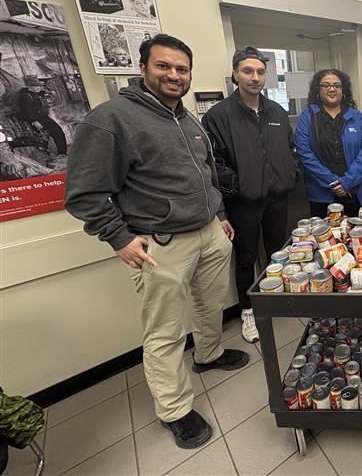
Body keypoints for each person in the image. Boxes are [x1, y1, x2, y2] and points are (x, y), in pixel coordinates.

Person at [64, 34, 248, 450]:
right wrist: (118, 238)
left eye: (182, 69)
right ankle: (175, 410)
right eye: (164, 66)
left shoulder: (186, 119)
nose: (174, 75)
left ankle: (209, 354)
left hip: (208, 233)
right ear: (143, 68)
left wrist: (218, 216)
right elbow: (84, 192)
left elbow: (206, 176)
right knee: (164, 331)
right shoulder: (111, 119)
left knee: (210, 303)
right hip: (161, 244)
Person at [202, 47, 297, 343]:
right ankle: (247, 312)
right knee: (244, 259)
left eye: (259, 72)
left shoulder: (277, 112)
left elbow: (291, 150)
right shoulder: (219, 115)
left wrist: (290, 174)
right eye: (247, 71)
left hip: (276, 200)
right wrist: (241, 183)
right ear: (235, 74)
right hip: (243, 203)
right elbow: (211, 162)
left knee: (276, 253)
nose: (254, 77)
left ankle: (273, 300)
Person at [295, 68, 362, 218]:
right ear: (318, 89)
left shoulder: (357, 117)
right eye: (326, 85)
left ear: (343, 90)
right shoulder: (307, 117)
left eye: (337, 85)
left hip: (353, 192)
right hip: (321, 195)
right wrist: (334, 182)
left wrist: (347, 182)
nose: (332, 89)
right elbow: (304, 153)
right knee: (325, 238)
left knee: (356, 236)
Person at [16, 75, 67, 155]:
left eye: (39, 85)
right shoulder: (26, 96)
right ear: (28, 86)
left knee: (57, 132)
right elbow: (26, 110)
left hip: (43, 117)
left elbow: (40, 93)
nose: (39, 87)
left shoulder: (34, 93)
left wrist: (48, 92)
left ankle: (61, 152)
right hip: (37, 119)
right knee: (55, 133)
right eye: (36, 86)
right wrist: (34, 121)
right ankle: (60, 152)